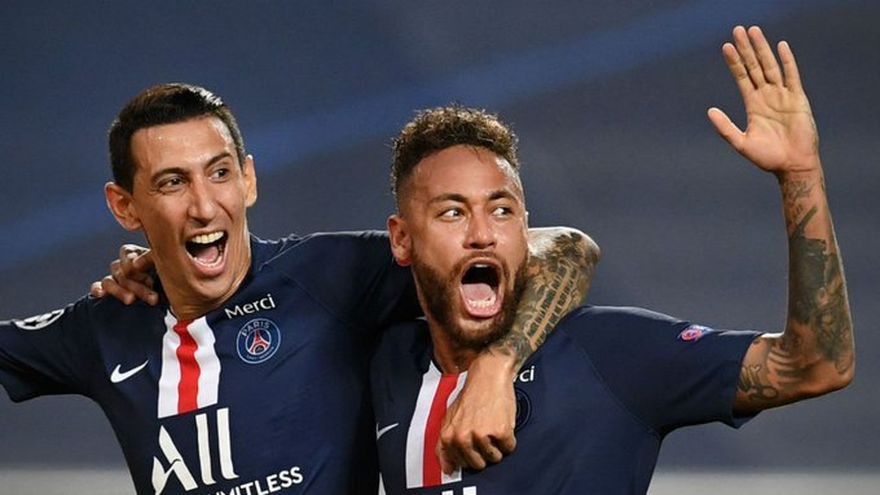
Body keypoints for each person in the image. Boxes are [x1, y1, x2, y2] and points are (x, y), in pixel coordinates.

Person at [0, 83, 597, 494]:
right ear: (125, 206)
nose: (204, 206)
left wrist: (495, 367)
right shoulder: (110, 322)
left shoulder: (329, 278)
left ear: (249, 179)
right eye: (173, 183)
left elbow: (563, 247)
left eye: (220, 173)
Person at [371, 26, 854, 494]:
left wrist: (800, 175)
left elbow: (815, 366)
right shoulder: (385, 363)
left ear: (526, 228)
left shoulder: (609, 352)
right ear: (401, 239)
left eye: (502, 211)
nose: (482, 235)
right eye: (452, 213)